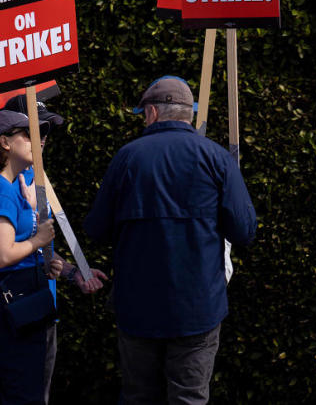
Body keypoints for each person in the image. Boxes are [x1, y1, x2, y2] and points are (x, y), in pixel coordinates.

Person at [84, 76, 257, 405]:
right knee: (189, 398)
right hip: (197, 308)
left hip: (137, 307)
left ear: (151, 112)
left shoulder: (126, 158)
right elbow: (245, 231)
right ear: (187, 114)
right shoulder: (217, 158)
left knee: (139, 397)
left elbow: (97, 229)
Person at [0, 108, 105, 405]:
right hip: (16, 295)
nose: (40, 140)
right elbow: (2, 254)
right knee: (25, 393)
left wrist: (47, 256)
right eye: (29, 134)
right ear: (5, 142)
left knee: (5, 389)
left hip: (4, 294)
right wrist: (39, 240)